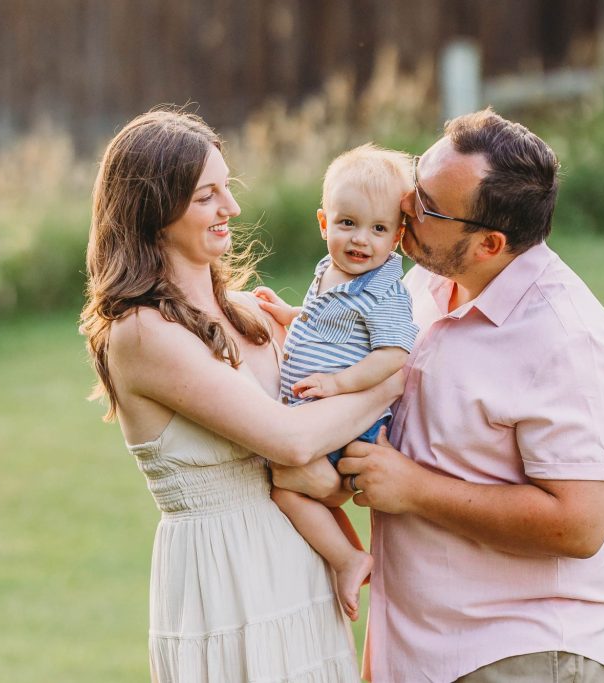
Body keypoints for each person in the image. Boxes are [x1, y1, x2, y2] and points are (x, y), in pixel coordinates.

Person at [79, 108, 401, 683]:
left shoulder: (254, 313)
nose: (231, 207)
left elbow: (324, 450)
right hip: (226, 584)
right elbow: (292, 441)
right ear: (155, 210)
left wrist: (334, 478)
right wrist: (395, 381)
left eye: (227, 188)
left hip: (301, 573)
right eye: (207, 196)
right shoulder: (142, 333)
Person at [336, 109, 604, 682]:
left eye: (428, 206)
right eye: (417, 181)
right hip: (421, 651)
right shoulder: (425, 281)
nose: (405, 205)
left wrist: (413, 488)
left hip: (523, 655)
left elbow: (579, 524)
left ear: (488, 244)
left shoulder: (567, 338)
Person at [252, 144, 419, 622]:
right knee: (302, 490)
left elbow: (394, 353)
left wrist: (339, 383)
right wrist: (291, 315)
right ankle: (352, 556)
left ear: (398, 236)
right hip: (325, 414)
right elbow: (329, 323)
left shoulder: (383, 291)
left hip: (350, 425)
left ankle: (347, 559)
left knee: (286, 490)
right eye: (348, 223)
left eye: (379, 229)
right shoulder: (331, 270)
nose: (360, 239)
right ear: (324, 223)